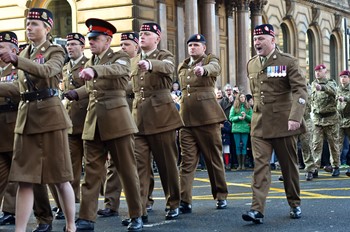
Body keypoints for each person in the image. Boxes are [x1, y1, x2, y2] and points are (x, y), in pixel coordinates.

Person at [0, 8, 76, 232]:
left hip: (51, 117)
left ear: (47, 28)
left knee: (60, 176)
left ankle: (71, 226)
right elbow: (19, 87)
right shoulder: (24, 54)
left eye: (34, 25)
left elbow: (47, 71)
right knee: (24, 178)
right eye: (27, 24)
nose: (29, 28)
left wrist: (16, 60)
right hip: (27, 119)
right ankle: (20, 229)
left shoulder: (55, 50)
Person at [64, 18, 143, 231]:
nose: (91, 42)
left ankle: (137, 214)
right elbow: (90, 90)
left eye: (95, 39)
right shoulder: (91, 62)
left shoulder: (120, 57)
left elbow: (118, 70)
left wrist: (96, 71)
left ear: (107, 40)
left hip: (117, 122)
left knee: (127, 171)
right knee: (91, 174)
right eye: (89, 39)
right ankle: (87, 218)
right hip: (93, 124)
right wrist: (75, 93)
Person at [242, 24, 307, 224]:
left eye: (261, 39)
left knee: (288, 167)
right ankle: (257, 210)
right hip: (260, 123)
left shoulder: (288, 61)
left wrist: (295, 117)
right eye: (255, 39)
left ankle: (294, 202)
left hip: (283, 123)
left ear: (272, 40)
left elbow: (300, 91)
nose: (257, 43)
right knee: (260, 167)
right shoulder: (252, 63)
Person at [126, 22, 183, 224]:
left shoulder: (163, 56)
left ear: (156, 39)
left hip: (162, 120)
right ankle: (139, 211)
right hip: (138, 121)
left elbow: (169, 68)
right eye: (141, 33)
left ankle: (173, 203)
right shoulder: (133, 60)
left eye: (147, 34)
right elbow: (128, 88)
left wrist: (150, 65)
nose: (142, 36)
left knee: (167, 165)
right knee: (139, 167)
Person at [178, 33, 228, 213]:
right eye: (190, 45)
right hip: (186, 121)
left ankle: (221, 195)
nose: (193, 48)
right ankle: (185, 200)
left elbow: (215, 67)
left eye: (196, 45)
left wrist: (204, 70)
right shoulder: (183, 65)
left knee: (213, 159)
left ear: (204, 47)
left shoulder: (210, 59)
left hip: (208, 119)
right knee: (187, 161)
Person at [97, 32, 139, 217]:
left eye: (127, 44)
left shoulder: (142, 62)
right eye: (121, 44)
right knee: (114, 164)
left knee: (139, 163)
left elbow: (137, 87)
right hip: (118, 116)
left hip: (139, 115)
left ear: (136, 46)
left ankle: (144, 202)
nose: (123, 47)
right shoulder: (112, 61)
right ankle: (111, 203)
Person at [0, 31, 20, 227]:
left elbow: (17, 89)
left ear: (13, 50)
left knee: (15, 174)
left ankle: (10, 211)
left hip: (12, 124)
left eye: (1, 47)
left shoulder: (18, 68)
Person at [310, 64, 340, 177]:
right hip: (317, 119)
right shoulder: (313, 84)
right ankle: (315, 168)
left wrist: (322, 88)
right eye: (316, 71)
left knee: (333, 144)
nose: (317, 73)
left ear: (325, 72)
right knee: (316, 144)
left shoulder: (331, 83)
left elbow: (335, 92)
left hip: (330, 118)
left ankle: (336, 166)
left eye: (320, 71)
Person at [229, 93, 252, 170]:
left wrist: (246, 116)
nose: (242, 98)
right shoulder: (234, 107)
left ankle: (243, 165)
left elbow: (252, 118)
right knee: (238, 146)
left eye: (244, 97)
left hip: (245, 129)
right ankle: (239, 165)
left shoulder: (248, 107)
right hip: (236, 129)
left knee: (244, 147)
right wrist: (238, 117)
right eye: (241, 97)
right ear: (238, 98)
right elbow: (231, 118)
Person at [337, 70, 350, 177]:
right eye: (341, 77)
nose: (343, 79)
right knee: (337, 144)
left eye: (345, 77)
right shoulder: (338, 89)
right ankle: (335, 166)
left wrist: (345, 98)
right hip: (340, 121)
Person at [219, 84, 235, 170]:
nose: (229, 91)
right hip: (226, 124)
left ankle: (234, 163)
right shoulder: (222, 101)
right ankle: (227, 163)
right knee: (226, 146)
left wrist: (232, 102)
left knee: (234, 145)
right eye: (227, 90)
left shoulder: (235, 100)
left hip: (235, 124)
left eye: (230, 90)